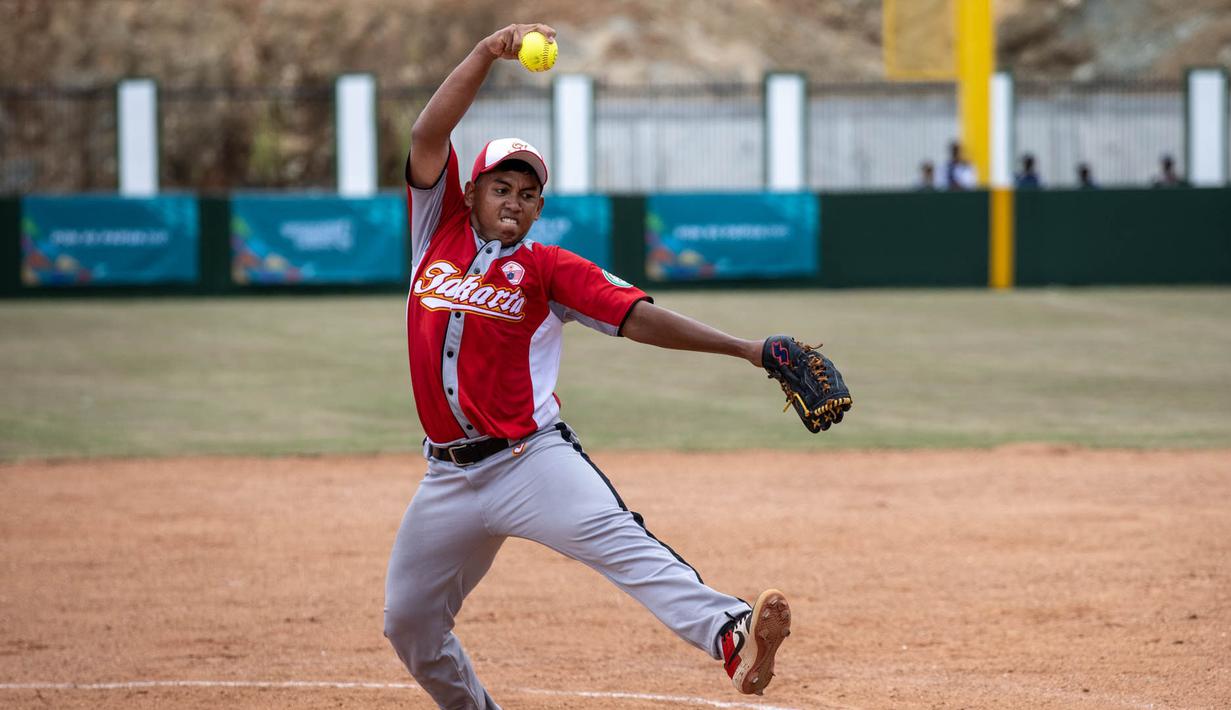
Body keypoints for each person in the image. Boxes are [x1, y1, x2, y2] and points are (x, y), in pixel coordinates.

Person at [383, 24, 793, 709]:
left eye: (527, 193)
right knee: (409, 625)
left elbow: (638, 316)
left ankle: (730, 635)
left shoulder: (547, 270)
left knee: (619, 543)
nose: (513, 200)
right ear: (470, 192)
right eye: (499, 187)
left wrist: (747, 350)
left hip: (528, 461)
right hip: (446, 478)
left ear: (537, 209)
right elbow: (428, 135)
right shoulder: (436, 232)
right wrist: (487, 54)